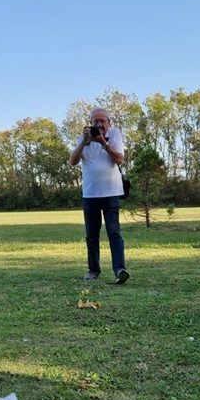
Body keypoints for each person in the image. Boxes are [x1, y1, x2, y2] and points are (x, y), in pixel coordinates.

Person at [69, 108, 130, 284]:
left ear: (109, 122)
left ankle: (120, 269)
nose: (99, 124)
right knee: (92, 235)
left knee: (114, 232)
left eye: (103, 121)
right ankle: (93, 270)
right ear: (90, 122)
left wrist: (103, 142)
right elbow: (72, 162)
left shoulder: (115, 134)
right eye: (96, 121)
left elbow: (119, 159)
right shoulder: (84, 137)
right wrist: (84, 142)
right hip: (90, 194)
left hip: (111, 192)